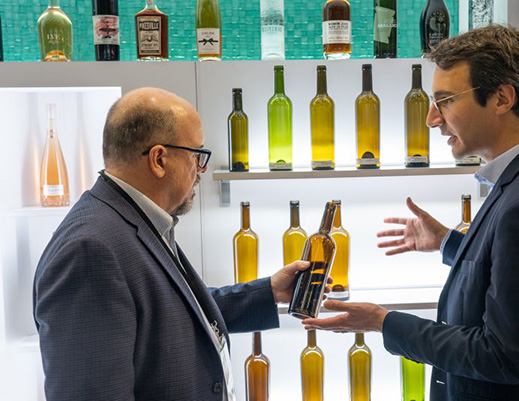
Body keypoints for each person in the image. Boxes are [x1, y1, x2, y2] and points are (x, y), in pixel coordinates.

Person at [303, 25, 519, 401]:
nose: (431, 119)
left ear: (502, 98)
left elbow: (503, 356)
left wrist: (383, 322)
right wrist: (449, 243)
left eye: (445, 101)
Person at [33, 87, 319, 401]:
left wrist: (269, 292)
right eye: (197, 156)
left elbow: (174, 311)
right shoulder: (90, 251)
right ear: (159, 159)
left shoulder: (133, 219)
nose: (201, 171)